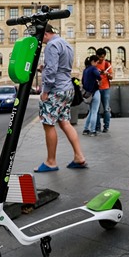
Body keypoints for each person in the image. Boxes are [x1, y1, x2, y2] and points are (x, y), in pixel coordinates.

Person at [34, 24, 87, 172]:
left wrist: (45, 91)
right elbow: (61, 67)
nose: (39, 41)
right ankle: (79, 156)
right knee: (65, 122)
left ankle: (51, 161)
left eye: (39, 37)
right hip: (67, 88)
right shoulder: (66, 44)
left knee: (48, 123)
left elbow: (51, 70)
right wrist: (44, 69)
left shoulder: (51, 45)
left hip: (55, 90)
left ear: (45, 34)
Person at [82, 55, 101, 136]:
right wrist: (99, 80)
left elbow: (83, 81)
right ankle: (93, 130)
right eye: (97, 62)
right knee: (94, 112)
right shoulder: (93, 68)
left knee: (90, 112)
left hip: (88, 94)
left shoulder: (85, 70)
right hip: (95, 92)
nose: (97, 64)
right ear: (93, 61)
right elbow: (98, 76)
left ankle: (86, 129)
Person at [94, 48, 112, 133]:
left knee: (106, 109)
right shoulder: (94, 64)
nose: (102, 59)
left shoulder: (107, 64)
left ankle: (106, 126)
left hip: (105, 88)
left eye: (103, 57)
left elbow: (111, 77)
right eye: (100, 57)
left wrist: (107, 74)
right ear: (97, 56)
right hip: (96, 89)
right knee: (96, 109)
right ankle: (97, 126)